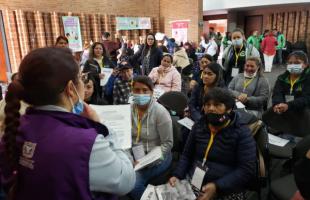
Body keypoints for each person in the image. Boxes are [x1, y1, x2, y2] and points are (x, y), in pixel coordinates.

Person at [0, 47, 135, 200]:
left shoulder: (16, 126)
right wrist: (103, 128)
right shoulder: (86, 143)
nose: (84, 83)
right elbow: (126, 181)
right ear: (71, 88)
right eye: (81, 77)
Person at [170, 88, 256, 200]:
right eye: (207, 104)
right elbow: (186, 155)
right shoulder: (199, 125)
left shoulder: (241, 132)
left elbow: (246, 170)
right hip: (195, 179)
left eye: (217, 105)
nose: (211, 108)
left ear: (229, 109)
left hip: (225, 187)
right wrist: (177, 175)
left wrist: (217, 186)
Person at [128, 76, 173, 200]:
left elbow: (168, 144)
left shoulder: (161, 113)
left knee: (134, 185)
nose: (140, 93)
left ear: (152, 92)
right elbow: (124, 139)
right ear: (132, 91)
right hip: (135, 157)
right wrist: (128, 158)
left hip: (158, 158)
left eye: (145, 90)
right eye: (136, 90)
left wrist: (146, 161)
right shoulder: (128, 110)